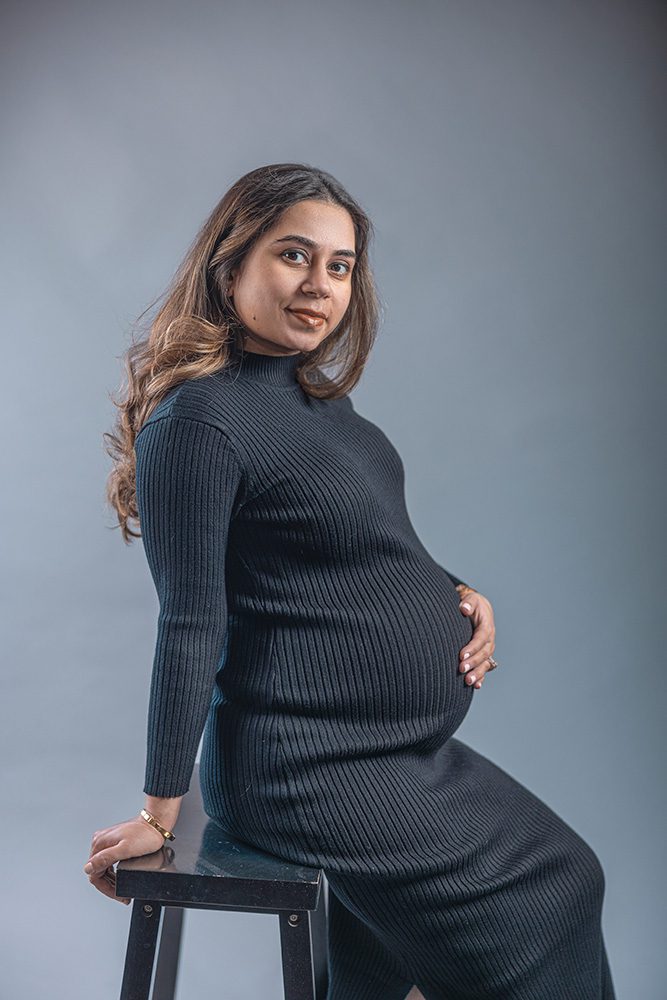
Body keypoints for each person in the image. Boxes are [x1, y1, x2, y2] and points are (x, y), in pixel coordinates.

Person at [84, 162, 616, 999]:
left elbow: (358, 538)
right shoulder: (199, 423)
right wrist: (159, 811)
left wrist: (454, 591)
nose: (320, 284)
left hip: (389, 752)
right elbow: (190, 623)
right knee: (546, 895)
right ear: (231, 267)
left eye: (339, 265)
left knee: (563, 876)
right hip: (304, 765)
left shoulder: (314, 402)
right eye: (294, 256)